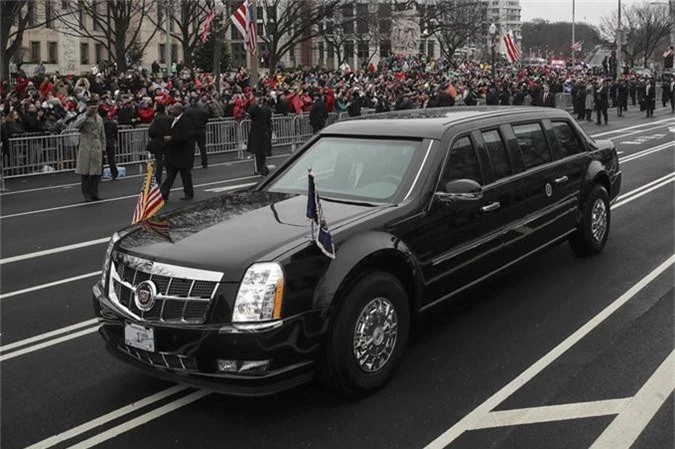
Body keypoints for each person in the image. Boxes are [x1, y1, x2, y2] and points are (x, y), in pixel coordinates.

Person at [73, 95, 106, 201]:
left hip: (96, 146)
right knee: (85, 172)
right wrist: (87, 114)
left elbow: (102, 134)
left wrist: (103, 147)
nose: (94, 109)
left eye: (95, 107)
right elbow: (76, 125)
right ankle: (86, 194)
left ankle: (95, 193)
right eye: (92, 107)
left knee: (96, 172)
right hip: (86, 146)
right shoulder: (83, 117)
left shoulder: (99, 118)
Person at [160, 103, 195, 200]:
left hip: (183, 152)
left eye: (174, 109)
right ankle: (164, 193)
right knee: (170, 175)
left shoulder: (186, 121)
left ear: (179, 110)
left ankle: (188, 193)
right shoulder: (173, 120)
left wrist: (172, 138)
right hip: (173, 152)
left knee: (185, 175)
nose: (171, 111)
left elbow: (186, 137)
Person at [246, 96, 273, 176]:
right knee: (262, 152)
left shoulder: (256, 109)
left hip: (257, 133)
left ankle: (259, 168)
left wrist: (255, 105)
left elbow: (250, 112)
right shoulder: (267, 109)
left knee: (258, 153)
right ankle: (262, 167)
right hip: (264, 132)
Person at [147, 103, 172, 185]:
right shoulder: (169, 118)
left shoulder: (156, 119)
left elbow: (151, 131)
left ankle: (158, 178)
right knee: (168, 160)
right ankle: (170, 176)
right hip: (168, 141)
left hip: (158, 141)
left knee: (159, 161)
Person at [99, 107, 118, 179]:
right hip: (110, 141)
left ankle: (99, 174)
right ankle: (114, 173)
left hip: (101, 142)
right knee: (111, 159)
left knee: (100, 160)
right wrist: (115, 140)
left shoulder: (99, 124)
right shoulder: (112, 124)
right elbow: (115, 133)